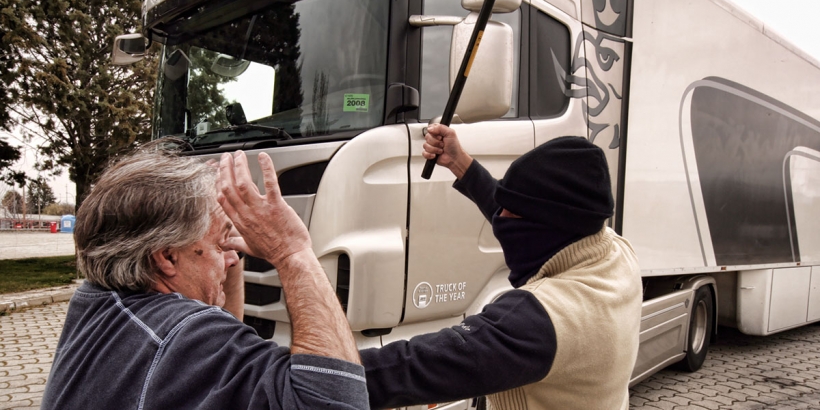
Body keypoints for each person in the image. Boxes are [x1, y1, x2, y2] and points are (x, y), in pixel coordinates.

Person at [41, 142, 368, 409]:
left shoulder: (96, 298)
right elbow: (338, 399)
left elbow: (223, 332)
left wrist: (226, 239)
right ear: (167, 256)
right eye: (221, 241)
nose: (232, 258)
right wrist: (292, 251)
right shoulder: (181, 332)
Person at [361, 124, 643, 409]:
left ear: (545, 228)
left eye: (512, 213)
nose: (500, 219)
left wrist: (325, 372)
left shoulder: (546, 319)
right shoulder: (615, 251)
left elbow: (412, 368)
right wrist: (459, 162)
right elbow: (519, 210)